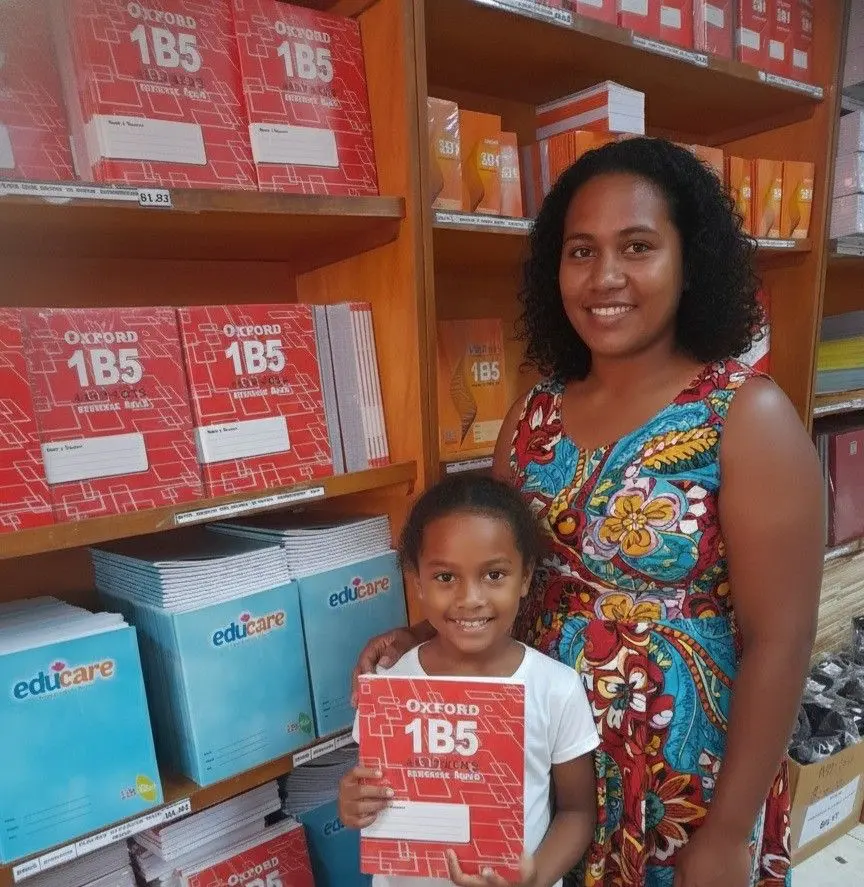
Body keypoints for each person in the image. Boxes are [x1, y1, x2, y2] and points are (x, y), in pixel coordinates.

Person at [353, 137, 823, 887]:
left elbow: (782, 637)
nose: (605, 277)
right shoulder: (533, 413)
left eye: (637, 246)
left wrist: (729, 830)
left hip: (678, 774)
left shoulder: (745, 414)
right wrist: (417, 635)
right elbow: (499, 566)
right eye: (581, 251)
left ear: (688, 260)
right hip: (535, 759)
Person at [340, 474, 599, 887]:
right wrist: (354, 803)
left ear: (526, 577)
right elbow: (372, 788)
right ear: (417, 581)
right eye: (446, 577)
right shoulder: (393, 684)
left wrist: (533, 880)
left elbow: (577, 812)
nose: (470, 598)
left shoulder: (556, 688)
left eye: (494, 575)